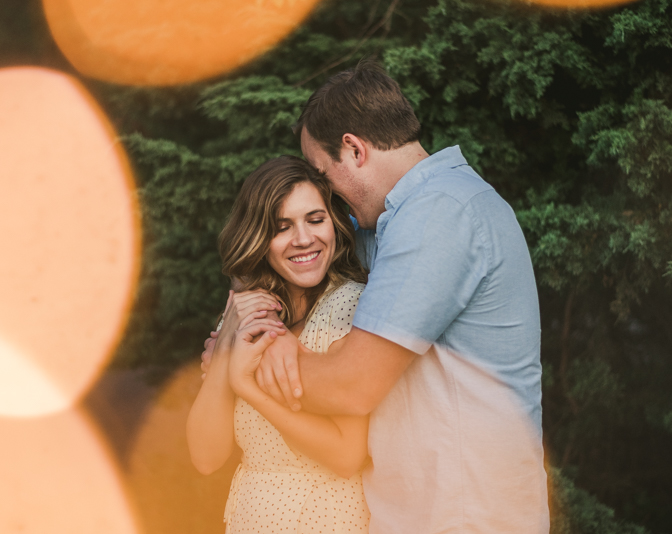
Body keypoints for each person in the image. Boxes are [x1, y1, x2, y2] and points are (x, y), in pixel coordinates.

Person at [230, 61, 550, 533]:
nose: (329, 197)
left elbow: (351, 385)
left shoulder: (440, 213)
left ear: (354, 149)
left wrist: (259, 360)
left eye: (324, 174)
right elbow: (289, 252)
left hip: (466, 516)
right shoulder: (394, 222)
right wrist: (247, 306)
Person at [187, 155, 372, 533]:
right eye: (282, 227)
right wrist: (226, 339)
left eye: (315, 220)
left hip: (325, 519)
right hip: (250, 517)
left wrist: (246, 388)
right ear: (259, 237)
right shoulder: (249, 312)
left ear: (333, 224)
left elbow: (346, 455)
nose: (304, 239)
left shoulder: (350, 306)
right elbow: (206, 457)